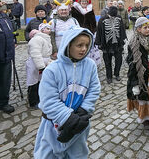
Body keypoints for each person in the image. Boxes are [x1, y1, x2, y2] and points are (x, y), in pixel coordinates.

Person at [34, 27, 101, 159]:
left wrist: (84, 110)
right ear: (68, 44)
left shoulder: (90, 65)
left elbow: (94, 89)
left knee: (78, 153)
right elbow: (48, 100)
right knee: (48, 154)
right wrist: (67, 118)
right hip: (53, 125)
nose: (84, 49)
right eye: (79, 45)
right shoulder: (52, 70)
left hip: (79, 122)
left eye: (87, 45)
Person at [95, 6, 127, 83]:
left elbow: (122, 29)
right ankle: (109, 76)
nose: (113, 17)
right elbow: (99, 32)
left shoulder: (118, 18)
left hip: (117, 44)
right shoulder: (102, 20)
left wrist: (123, 39)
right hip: (106, 44)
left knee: (119, 60)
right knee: (107, 61)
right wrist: (99, 43)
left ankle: (117, 74)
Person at [26, 20, 52, 109]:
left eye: (50, 29)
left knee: (41, 82)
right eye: (47, 28)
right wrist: (41, 66)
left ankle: (40, 98)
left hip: (43, 64)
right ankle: (33, 101)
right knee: (33, 83)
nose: (49, 30)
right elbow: (35, 53)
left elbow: (47, 53)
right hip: (35, 64)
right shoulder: (37, 39)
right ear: (42, 30)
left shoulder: (46, 38)